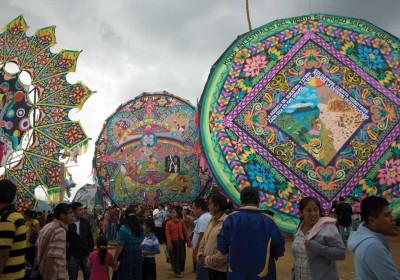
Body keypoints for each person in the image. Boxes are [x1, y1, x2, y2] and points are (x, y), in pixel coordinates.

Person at [217, 187, 285, 280]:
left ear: (241, 201)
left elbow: (222, 246)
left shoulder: (231, 219)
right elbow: (279, 247)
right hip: (263, 276)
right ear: (258, 201)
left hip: (236, 274)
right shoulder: (268, 220)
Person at [292, 197, 346, 280]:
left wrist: (317, 247)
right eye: (309, 210)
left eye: (316, 210)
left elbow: (341, 254)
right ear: (301, 213)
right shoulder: (298, 229)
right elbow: (298, 258)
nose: (313, 213)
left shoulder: (328, 227)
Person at [348, 196, 399, 279]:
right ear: (372, 220)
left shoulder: (367, 240)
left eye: (391, 214)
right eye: (387, 215)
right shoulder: (373, 246)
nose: (393, 218)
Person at [36, 203, 73, 280]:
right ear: (62, 215)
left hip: (41, 270)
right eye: (70, 213)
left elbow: (37, 247)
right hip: (54, 275)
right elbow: (52, 258)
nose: (72, 215)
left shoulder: (47, 226)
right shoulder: (60, 231)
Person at [198, 194, 231, 280]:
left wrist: (209, 260)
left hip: (220, 270)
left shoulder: (227, 222)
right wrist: (200, 254)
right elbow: (204, 238)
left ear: (217, 207)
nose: (208, 206)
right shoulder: (211, 220)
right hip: (208, 266)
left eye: (210, 204)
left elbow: (227, 251)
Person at [0, 179, 26, 280]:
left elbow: (2, 255)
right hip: (17, 274)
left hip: (7, 276)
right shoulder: (16, 215)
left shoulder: (6, 218)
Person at [113, 207, 145, 280]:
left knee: (126, 273)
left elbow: (120, 245)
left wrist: (115, 258)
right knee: (136, 273)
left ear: (125, 216)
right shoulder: (141, 228)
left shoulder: (123, 228)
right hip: (138, 254)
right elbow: (143, 241)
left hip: (126, 254)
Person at [67, 202, 95, 280]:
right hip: (73, 255)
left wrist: (90, 251)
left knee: (88, 275)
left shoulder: (85, 222)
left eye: (83, 209)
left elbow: (90, 237)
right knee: (73, 276)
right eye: (80, 210)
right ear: (73, 212)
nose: (83, 211)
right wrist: (68, 254)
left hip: (86, 254)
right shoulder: (68, 224)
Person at [166, 207, 192, 278]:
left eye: (174, 212)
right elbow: (167, 234)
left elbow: (185, 231)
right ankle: (177, 271)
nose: (172, 214)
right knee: (175, 257)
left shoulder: (181, 221)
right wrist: (169, 243)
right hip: (173, 243)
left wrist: (188, 241)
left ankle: (179, 269)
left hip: (181, 242)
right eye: (171, 212)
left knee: (182, 256)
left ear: (177, 213)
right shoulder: (168, 223)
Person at [192, 198, 211, 280]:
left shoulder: (203, 219)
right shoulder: (205, 217)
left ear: (199, 208)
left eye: (193, 208)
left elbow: (202, 236)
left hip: (202, 254)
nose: (192, 210)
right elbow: (192, 224)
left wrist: (196, 253)